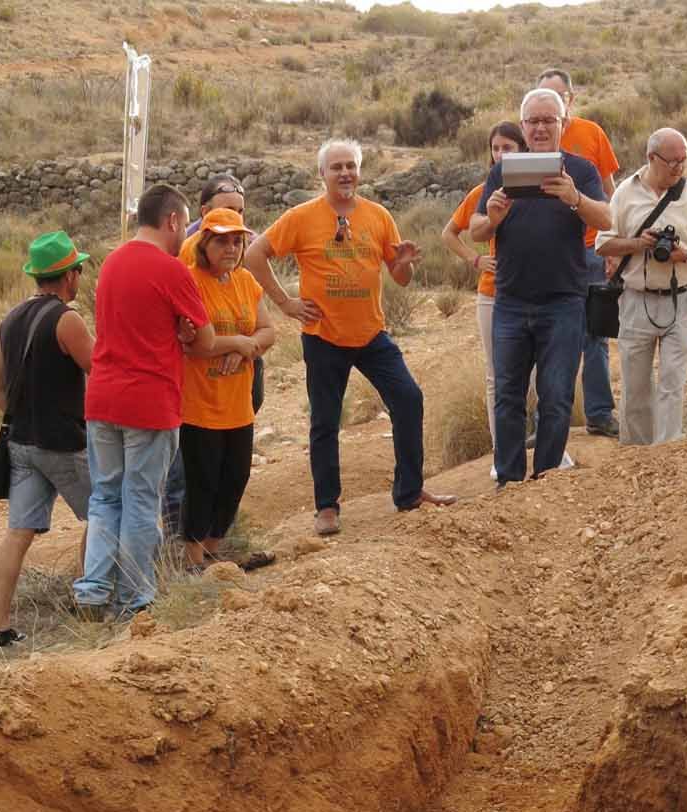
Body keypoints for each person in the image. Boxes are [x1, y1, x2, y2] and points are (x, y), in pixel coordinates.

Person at [244, 137, 454, 537]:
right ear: (321, 174)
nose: (344, 173)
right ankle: (327, 507)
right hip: (323, 335)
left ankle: (409, 492)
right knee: (325, 421)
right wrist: (286, 303)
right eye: (336, 167)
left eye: (351, 166)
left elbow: (401, 277)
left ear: (360, 172)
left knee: (408, 399)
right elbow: (255, 254)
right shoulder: (301, 216)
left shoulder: (378, 216)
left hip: (372, 334)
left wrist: (405, 264)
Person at [72, 184, 256, 621]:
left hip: (102, 398)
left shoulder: (112, 262)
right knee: (140, 498)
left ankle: (93, 589)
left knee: (105, 498)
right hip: (149, 401)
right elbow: (206, 339)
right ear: (173, 220)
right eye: (184, 223)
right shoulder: (172, 269)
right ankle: (136, 595)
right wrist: (224, 340)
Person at [468, 88, 611, 485]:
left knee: (557, 394)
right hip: (510, 301)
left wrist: (575, 197)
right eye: (533, 120)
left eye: (549, 120)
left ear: (563, 124)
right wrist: (494, 216)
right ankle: (509, 480)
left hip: (564, 301)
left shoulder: (580, 170)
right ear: (524, 125)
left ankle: (545, 478)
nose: (541, 127)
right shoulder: (502, 170)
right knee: (508, 395)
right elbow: (476, 228)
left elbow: (606, 218)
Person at [0, 230, 94, 648]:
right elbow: (98, 370)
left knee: (18, 532)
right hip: (64, 443)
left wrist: (24, 416)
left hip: (22, 443)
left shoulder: (10, 318)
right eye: (78, 270)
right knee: (102, 514)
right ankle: (90, 599)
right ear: (68, 276)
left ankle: (0, 626)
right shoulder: (68, 319)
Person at [596, 129, 687, 446]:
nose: (679, 168)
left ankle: (668, 454)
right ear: (652, 158)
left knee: (672, 381)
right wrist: (640, 243)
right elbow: (603, 245)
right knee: (636, 383)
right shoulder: (625, 193)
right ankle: (636, 454)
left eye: (684, 161)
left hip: (682, 298)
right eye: (672, 162)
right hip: (636, 298)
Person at [179, 208, 276, 574]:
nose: (231, 248)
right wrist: (239, 342)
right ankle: (193, 562)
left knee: (235, 480)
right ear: (204, 244)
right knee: (201, 484)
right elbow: (194, 345)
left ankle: (213, 554)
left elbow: (268, 331)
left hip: (238, 405)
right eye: (222, 240)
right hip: (199, 405)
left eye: (237, 241)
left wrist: (242, 347)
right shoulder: (188, 281)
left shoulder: (246, 282)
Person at [538, 67, 621, 436]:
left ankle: (600, 414)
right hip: (547, 256)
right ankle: (546, 424)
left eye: (558, 97)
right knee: (548, 336)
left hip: (589, 249)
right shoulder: (532, 138)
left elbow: (609, 189)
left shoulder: (591, 134)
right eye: (543, 96)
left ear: (570, 99)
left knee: (595, 334)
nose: (550, 107)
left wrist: (613, 244)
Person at [441, 120, 525, 459]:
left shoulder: (538, 186)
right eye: (496, 148)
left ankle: (535, 442)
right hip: (493, 293)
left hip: (534, 291)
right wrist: (476, 261)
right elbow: (450, 232)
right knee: (497, 375)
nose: (501, 153)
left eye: (508, 147)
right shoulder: (482, 192)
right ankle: (500, 448)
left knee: (533, 376)